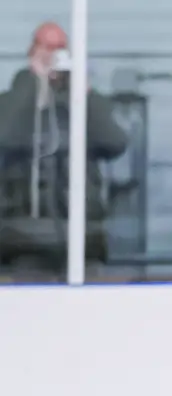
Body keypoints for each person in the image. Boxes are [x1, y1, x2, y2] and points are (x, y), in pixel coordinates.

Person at [0, 21, 128, 277]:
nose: (53, 55)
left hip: (83, 236)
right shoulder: (11, 101)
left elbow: (115, 143)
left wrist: (85, 92)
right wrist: (31, 80)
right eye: (46, 47)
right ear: (31, 51)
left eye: (60, 48)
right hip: (25, 238)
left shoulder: (82, 105)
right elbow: (5, 137)